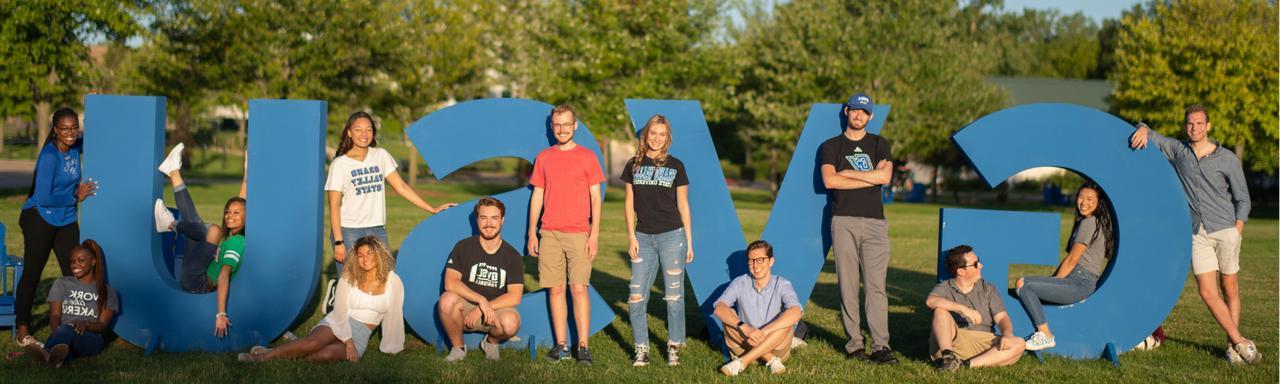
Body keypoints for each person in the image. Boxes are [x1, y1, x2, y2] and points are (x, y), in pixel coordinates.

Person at [1129, 105, 1259, 364]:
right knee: (1207, 292)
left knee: (1229, 288)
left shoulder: (1227, 159)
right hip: (1196, 233)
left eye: (1199, 123)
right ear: (1185, 126)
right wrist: (1143, 127)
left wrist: (1237, 230)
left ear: (1208, 126)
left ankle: (1233, 347)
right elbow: (1149, 133)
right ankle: (1240, 342)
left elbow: (1243, 199)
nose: (1195, 128)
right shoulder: (1179, 151)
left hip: (1225, 230)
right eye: (1190, 124)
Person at [324, 111, 455, 309]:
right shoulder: (340, 164)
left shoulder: (381, 155)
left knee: (384, 279)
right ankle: (341, 316)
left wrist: (431, 209)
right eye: (358, 130)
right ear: (349, 133)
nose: (364, 134)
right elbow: (334, 204)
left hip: (376, 229)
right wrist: (339, 241)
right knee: (351, 283)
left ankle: (371, 323)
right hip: (349, 230)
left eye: (369, 130)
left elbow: (401, 187)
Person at [818, 92, 897, 364]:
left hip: (875, 222)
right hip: (843, 221)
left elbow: (885, 177)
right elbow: (829, 181)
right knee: (848, 286)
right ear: (846, 112)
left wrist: (848, 173)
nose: (858, 115)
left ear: (871, 116)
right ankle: (854, 345)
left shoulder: (879, 143)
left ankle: (881, 346)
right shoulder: (831, 146)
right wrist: (870, 178)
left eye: (864, 112)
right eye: (854, 110)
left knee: (876, 287)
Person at [239, 236, 404, 362]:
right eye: (360, 255)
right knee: (313, 344)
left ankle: (277, 352)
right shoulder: (349, 276)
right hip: (339, 321)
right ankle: (261, 359)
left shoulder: (392, 281)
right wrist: (348, 342)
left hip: (361, 334)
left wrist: (392, 346)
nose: (365, 258)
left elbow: (394, 315)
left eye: (369, 253)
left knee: (326, 355)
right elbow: (339, 311)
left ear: (379, 254)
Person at [526, 104, 605, 365]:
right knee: (555, 289)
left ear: (575, 126)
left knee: (579, 288)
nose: (561, 129)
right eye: (557, 125)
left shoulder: (588, 157)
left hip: (579, 232)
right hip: (548, 232)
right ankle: (561, 345)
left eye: (566, 124)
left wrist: (594, 234)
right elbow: (537, 195)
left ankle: (583, 345)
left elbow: (596, 198)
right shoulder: (544, 157)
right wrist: (532, 232)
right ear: (552, 126)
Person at [16, 108, 98, 347]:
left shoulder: (74, 147)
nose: (70, 133)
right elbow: (43, 197)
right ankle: (23, 332)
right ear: (55, 131)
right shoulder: (50, 157)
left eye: (74, 128)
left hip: (66, 219)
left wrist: (96, 110)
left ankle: (74, 325)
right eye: (65, 129)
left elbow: (98, 137)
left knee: (75, 273)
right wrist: (76, 196)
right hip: (40, 217)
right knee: (33, 272)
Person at [152, 143, 246, 338]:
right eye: (227, 212)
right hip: (199, 270)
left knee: (213, 231)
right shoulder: (235, 236)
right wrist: (246, 176)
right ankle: (173, 172)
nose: (230, 216)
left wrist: (220, 312)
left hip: (198, 282)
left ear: (247, 217)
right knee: (195, 222)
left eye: (236, 213)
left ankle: (171, 225)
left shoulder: (237, 243)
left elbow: (224, 274)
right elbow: (242, 204)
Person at [622, 114, 693, 367]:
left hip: (673, 236)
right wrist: (631, 237)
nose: (657, 138)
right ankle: (642, 349)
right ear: (646, 135)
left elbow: (683, 205)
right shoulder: (633, 165)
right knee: (636, 297)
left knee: (674, 297)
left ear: (668, 138)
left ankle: (673, 347)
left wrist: (690, 241)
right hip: (642, 235)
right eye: (653, 133)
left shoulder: (676, 165)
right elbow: (629, 204)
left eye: (662, 134)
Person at [1013, 182, 1114, 351]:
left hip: (1079, 281)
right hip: (1078, 279)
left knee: (1023, 284)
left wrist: (1056, 282)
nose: (1083, 202)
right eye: (1081, 197)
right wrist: (1053, 282)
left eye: (1090, 199)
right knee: (1023, 288)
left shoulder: (1089, 223)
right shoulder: (1091, 222)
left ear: (1099, 203)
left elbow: (1072, 259)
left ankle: (1045, 335)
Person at [439, 197, 525, 363]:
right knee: (446, 300)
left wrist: (484, 307)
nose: (489, 224)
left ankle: (490, 343)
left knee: (510, 323)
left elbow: (515, 296)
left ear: (502, 220)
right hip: (464, 310)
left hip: (494, 312)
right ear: (477, 219)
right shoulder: (463, 247)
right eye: (483, 218)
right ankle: (458, 349)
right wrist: (480, 300)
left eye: (495, 218)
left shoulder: (512, 255)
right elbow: (450, 283)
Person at [928, 245, 1024, 371]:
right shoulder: (945, 287)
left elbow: (1002, 318)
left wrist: (1007, 334)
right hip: (954, 341)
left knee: (1019, 343)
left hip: (984, 341)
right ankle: (948, 358)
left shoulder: (988, 288)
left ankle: (965, 365)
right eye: (975, 264)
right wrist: (963, 309)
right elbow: (931, 301)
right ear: (961, 271)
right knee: (940, 311)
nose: (981, 265)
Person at [23, 239, 117, 368]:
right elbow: (55, 316)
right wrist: (59, 333)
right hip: (63, 334)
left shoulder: (107, 291)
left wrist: (87, 324)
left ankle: (46, 353)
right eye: (72, 261)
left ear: (93, 262)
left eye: (81, 260)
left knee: (68, 329)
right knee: (66, 333)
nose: (75, 265)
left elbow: (102, 326)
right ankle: (57, 359)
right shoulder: (61, 283)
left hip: (90, 339)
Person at [714, 240, 803, 376]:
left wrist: (764, 331)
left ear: (771, 261)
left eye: (760, 260)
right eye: (751, 261)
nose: (755, 265)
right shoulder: (740, 282)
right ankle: (771, 360)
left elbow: (796, 312)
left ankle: (742, 362)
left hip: (775, 347)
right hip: (744, 346)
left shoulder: (783, 284)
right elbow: (719, 309)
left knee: (786, 319)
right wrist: (746, 328)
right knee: (729, 314)